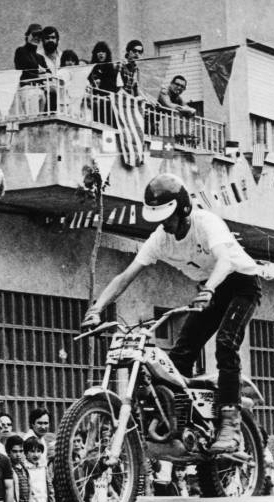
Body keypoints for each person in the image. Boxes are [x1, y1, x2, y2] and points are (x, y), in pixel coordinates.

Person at [85, 173, 264, 454]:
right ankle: (180, 424)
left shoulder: (207, 223)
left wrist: (209, 290)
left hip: (241, 283)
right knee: (181, 353)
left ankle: (231, 421)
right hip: (210, 288)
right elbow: (126, 275)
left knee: (226, 343)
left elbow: (226, 260)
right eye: (159, 219)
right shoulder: (160, 239)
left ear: (183, 210)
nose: (164, 225)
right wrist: (97, 308)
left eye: (168, 218)